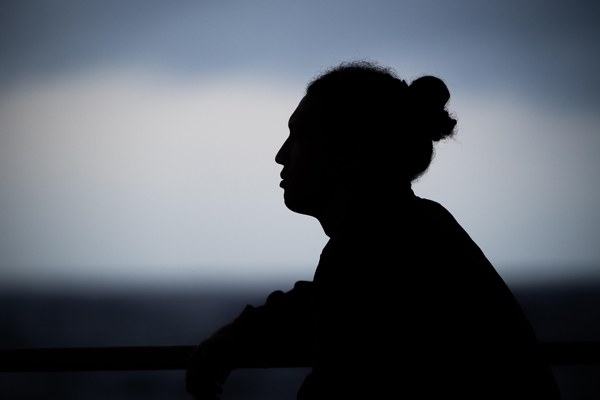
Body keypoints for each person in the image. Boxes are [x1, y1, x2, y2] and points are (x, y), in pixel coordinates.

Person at [186, 61, 561, 399]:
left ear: (350, 153)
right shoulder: (412, 228)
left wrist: (233, 338)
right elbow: (322, 304)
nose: (281, 155)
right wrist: (243, 333)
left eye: (298, 136)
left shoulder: (370, 252)